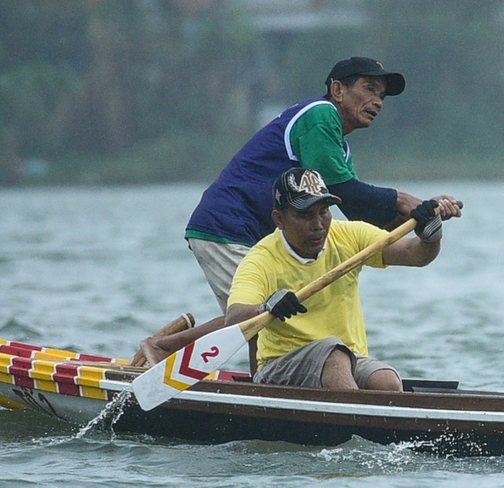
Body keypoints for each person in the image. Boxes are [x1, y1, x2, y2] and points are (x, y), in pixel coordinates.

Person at [138, 167, 463, 391]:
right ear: (279, 219)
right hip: (278, 368)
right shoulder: (261, 259)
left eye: (324, 211)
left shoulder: (349, 236)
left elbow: (415, 255)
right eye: (305, 215)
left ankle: (377, 431)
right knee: (333, 355)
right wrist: (268, 305)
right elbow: (236, 316)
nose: (318, 224)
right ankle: (357, 431)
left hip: (346, 360)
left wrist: (429, 232)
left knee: (387, 382)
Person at [182, 56, 436, 315]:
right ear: (338, 90)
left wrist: (424, 217)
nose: (378, 102)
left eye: (382, 96)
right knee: (266, 319)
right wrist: (402, 200)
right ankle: (165, 346)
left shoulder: (339, 147)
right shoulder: (320, 113)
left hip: (250, 234)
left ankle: (166, 344)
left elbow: (361, 216)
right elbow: (342, 188)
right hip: (227, 227)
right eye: (370, 89)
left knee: (282, 314)